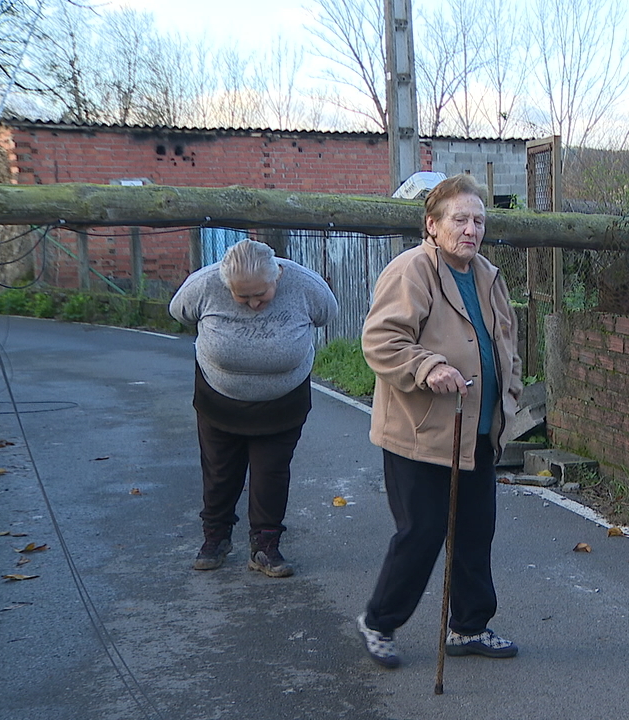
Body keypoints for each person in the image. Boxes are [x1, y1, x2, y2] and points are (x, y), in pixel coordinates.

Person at [355, 174, 523, 669]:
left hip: (477, 432)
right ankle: (379, 621)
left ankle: (469, 627)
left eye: (478, 220)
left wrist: (509, 395)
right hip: (420, 433)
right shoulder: (412, 271)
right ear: (432, 225)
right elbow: (381, 341)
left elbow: (506, 346)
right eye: (460, 219)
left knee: (475, 533)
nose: (471, 230)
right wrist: (429, 366)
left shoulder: (489, 276)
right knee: (423, 532)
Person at [169, 239, 338, 578]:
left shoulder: (306, 286)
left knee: (270, 474)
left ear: (277, 274)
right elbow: (179, 312)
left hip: (283, 403)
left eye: (261, 294)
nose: (253, 303)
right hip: (218, 400)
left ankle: (265, 546)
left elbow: (327, 314)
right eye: (242, 297)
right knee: (219, 472)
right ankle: (215, 538)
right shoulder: (204, 285)